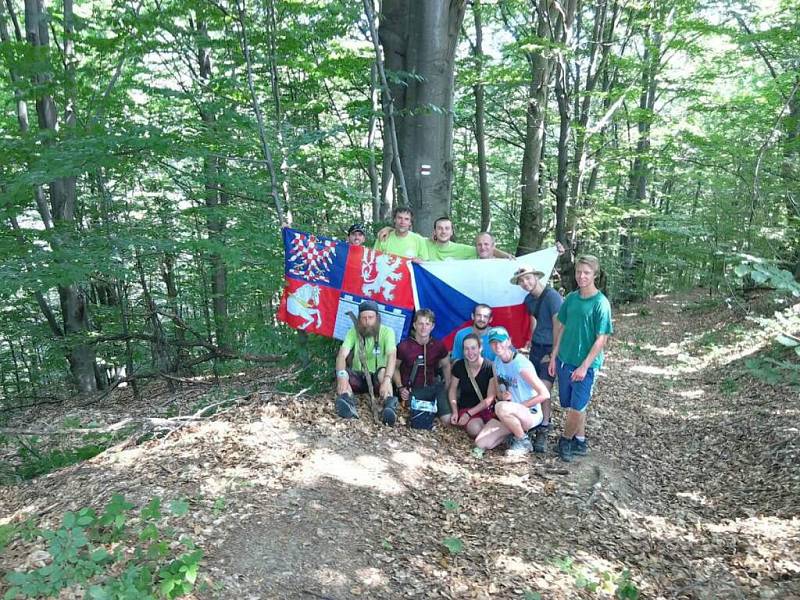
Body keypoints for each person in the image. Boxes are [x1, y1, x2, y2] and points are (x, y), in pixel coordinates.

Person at [548, 255, 613, 462]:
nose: (581, 276)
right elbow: (562, 327)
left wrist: (585, 366)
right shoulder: (571, 299)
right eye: (579, 272)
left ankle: (565, 440)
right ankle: (580, 440)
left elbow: (601, 339)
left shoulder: (601, 303)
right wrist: (554, 356)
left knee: (577, 407)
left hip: (586, 365)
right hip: (564, 360)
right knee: (571, 403)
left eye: (586, 272)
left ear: (595, 274)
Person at [510, 265, 563, 453]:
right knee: (532, 387)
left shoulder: (552, 297)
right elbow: (534, 320)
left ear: (536, 277)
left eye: (528, 278)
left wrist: (555, 353)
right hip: (537, 348)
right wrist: (531, 342)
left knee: (544, 388)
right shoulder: (528, 300)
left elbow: (560, 324)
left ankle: (544, 426)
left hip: (551, 348)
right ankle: (533, 421)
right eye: (522, 281)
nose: (525, 283)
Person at [475, 327, 550, 457]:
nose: (497, 345)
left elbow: (544, 394)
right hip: (510, 412)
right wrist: (503, 396)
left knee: (501, 408)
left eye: (501, 341)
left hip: (529, 413)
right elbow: (499, 392)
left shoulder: (520, 364)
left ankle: (523, 441)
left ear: (509, 342)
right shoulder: (497, 363)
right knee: (480, 442)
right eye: (493, 342)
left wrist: (519, 406)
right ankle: (512, 435)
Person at [335, 300, 399, 425]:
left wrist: (386, 380)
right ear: (359, 319)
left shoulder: (387, 332)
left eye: (370, 317)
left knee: (383, 372)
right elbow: (342, 355)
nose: (367, 322)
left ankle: (389, 406)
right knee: (343, 373)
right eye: (364, 318)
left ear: (377, 317)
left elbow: (392, 356)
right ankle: (347, 402)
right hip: (359, 376)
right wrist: (341, 376)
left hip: (377, 379)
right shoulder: (354, 331)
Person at [393, 308, 451, 426]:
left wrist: (447, 387)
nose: (423, 327)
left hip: (433, 388)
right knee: (414, 419)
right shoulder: (404, 346)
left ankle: (433, 412)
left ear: (432, 326)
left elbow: (446, 365)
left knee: (447, 420)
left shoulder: (438, 346)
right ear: (414, 325)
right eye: (420, 323)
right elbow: (395, 368)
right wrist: (400, 388)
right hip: (412, 390)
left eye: (427, 324)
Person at [447, 333, 496, 438]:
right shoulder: (459, 366)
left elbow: (490, 398)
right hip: (465, 407)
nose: (470, 352)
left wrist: (469, 414)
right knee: (474, 428)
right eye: (466, 349)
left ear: (480, 348)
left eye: (473, 348)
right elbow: (452, 389)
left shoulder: (490, 367)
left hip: (484, 409)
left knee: (479, 428)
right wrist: (455, 411)